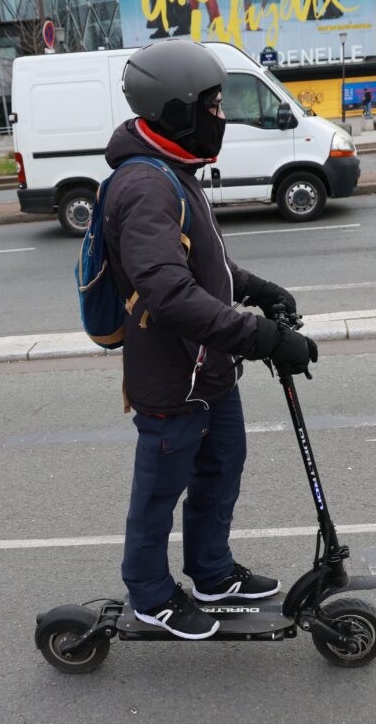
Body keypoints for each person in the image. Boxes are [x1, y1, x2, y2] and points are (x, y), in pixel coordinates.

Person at [101, 39, 318, 640]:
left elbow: (206, 266)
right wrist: (265, 338)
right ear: (178, 110)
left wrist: (256, 289)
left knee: (221, 470)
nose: (221, 115)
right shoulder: (144, 186)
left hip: (210, 369)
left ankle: (211, 573)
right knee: (159, 493)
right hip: (173, 378)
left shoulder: (175, 169)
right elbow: (169, 294)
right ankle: (149, 595)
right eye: (214, 104)